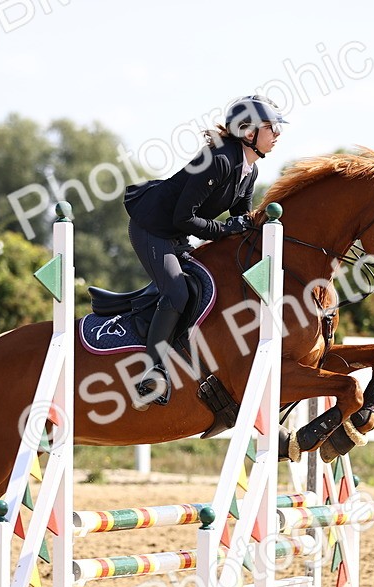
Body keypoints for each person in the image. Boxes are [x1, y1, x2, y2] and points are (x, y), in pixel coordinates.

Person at [123, 94, 287, 408]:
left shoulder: (249, 171)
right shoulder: (219, 160)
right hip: (152, 229)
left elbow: (241, 221)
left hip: (176, 234)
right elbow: (184, 218)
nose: (277, 134)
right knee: (177, 292)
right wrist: (226, 229)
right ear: (248, 131)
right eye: (271, 127)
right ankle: (150, 372)